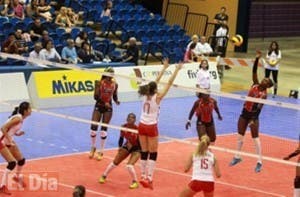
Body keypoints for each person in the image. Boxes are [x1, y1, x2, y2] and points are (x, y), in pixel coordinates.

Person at [138, 59, 183, 189]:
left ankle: (142, 175)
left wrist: (164, 68)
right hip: (151, 126)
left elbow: (154, 83)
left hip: (141, 124)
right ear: (155, 90)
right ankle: (150, 178)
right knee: (153, 152)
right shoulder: (157, 97)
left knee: (144, 151)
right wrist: (176, 70)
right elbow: (169, 83)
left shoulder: (144, 95)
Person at [229, 51, 274, 173]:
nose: (263, 80)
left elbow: (259, 108)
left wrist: (253, 119)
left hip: (254, 116)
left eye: (266, 80)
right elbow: (254, 71)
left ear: (268, 86)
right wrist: (257, 59)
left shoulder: (263, 95)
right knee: (240, 136)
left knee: (255, 139)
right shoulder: (255, 84)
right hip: (244, 112)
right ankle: (237, 157)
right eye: (264, 78)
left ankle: (259, 162)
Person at [99, 113, 140, 189]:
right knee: (115, 162)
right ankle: (104, 176)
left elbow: (141, 142)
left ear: (135, 120)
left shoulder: (137, 129)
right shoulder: (123, 127)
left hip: (137, 148)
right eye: (129, 117)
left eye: (133, 118)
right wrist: (120, 147)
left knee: (129, 166)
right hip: (128, 145)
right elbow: (121, 138)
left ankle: (135, 182)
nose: (131, 119)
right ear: (127, 119)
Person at [0, 102, 32, 195]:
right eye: (30, 108)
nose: (31, 110)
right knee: (12, 163)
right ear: (25, 111)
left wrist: (17, 134)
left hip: (7, 141)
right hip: (1, 141)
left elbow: (10, 129)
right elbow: (3, 128)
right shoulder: (18, 118)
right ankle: (2, 187)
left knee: (21, 160)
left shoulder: (20, 118)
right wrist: (9, 139)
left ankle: (16, 177)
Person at [89, 67, 120, 161]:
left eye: (112, 75)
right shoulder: (99, 83)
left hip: (108, 108)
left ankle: (101, 151)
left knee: (103, 130)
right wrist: (104, 103)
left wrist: (116, 100)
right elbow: (95, 96)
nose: (111, 77)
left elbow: (114, 95)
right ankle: (93, 147)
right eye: (109, 74)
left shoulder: (115, 84)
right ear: (105, 74)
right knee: (93, 128)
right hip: (99, 106)